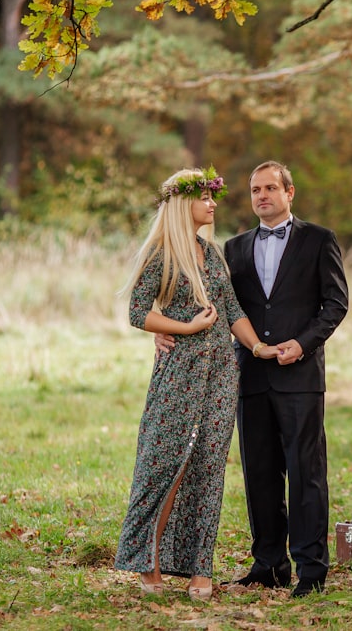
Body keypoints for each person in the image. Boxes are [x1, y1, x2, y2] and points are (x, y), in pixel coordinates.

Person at [159, 160, 348, 597]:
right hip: (249, 376)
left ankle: (311, 569)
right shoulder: (234, 247)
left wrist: (303, 343)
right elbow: (211, 302)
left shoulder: (319, 240)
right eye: (254, 190)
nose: (261, 196)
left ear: (289, 193)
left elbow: (336, 304)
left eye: (269, 188)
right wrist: (165, 329)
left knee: (306, 473)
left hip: (300, 374)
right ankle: (269, 563)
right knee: (260, 473)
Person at [115, 167, 279, 601]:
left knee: (208, 467)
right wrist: (182, 328)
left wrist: (259, 348)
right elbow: (137, 312)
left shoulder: (211, 253)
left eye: (213, 197)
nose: (213, 204)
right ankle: (146, 556)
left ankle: (198, 567)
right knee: (166, 460)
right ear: (181, 203)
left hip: (222, 373)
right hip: (179, 372)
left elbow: (232, 311)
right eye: (204, 198)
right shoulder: (162, 254)